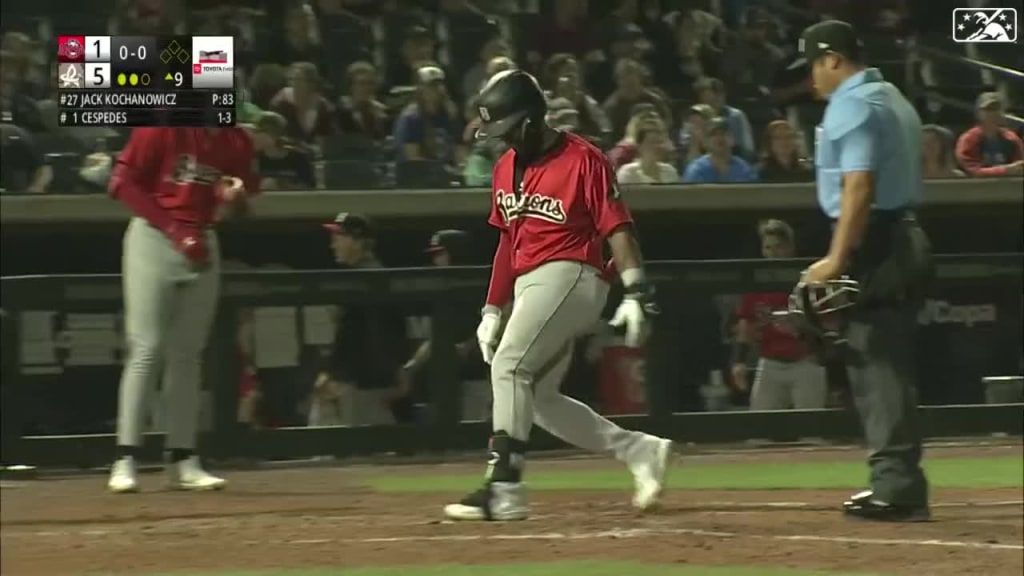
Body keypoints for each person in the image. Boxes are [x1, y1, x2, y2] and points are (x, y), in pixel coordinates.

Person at [443, 70, 672, 522]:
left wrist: (635, 289)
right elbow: (508, 243)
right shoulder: (505, 168)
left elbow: (617, 226)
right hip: (532, 283)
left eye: (506, 129)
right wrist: (492, 307)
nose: (501, 140)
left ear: (529, 121)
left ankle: (504, 487)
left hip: (575, 272)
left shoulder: (584, 158)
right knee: (541, 399)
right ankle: (640, 451)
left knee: (510, 366)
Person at [793, 20, 931, 522]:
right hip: (901, 234)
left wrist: (836, 257)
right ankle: (898, 480)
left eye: (812, 65)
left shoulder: (853, 103)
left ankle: (896, 488)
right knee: (885, 361)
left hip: (877, 242)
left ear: (832, 58)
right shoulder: (890, 94)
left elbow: (859, 187)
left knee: (877, 363)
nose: (811, 78)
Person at [106, 127, 257, 493]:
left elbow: (244, 203)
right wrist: (174, 229)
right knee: (147, 347)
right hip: (154, 237)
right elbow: (121, 184)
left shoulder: (235, 139)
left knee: (188, 354)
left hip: (202, 238)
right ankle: (126, 458)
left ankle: (183, 458)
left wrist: (233, 199)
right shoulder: (160, 128)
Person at [309, 213, 405, 427]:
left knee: (365, 449)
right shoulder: (367, 273)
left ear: (358, 241)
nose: (333, 245)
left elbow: (360, 335)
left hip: (363, 381)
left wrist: (335, 373)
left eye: (339, 237)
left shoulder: (369, 277)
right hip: (368, 379)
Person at [732, 220, 825, 410]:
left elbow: (829, 323)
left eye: (779, 247)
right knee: (760, 432)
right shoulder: (757, 281)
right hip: (770, 363)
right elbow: (746, 323)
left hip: (806, 361)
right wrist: (739, 361)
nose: (773, 253)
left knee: (813, 432)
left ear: (791, 247)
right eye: (768, 248)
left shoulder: (808, 278)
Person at [954, 92, 1024, 178]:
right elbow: (971, 171)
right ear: (978, 114)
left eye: (996, 109)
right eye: (988, 109)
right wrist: (1005, 170)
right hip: (976, 188)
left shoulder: (1012, 139)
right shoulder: (968, 139)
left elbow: (1019, 165)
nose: (992, 113)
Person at [682, 118, 757, 184]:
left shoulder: (744, 169)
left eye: (724, 133)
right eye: (713, 134)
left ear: (733, 139)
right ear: (705, 141)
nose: (720, 138)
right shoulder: (696, 170)